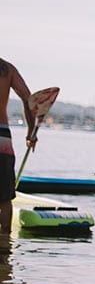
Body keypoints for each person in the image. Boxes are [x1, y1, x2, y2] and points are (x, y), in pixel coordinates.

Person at [0, 58, 35, 233]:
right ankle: (5, 248)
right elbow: (29, 100)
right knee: (5, 198)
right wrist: (31, 132)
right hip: (2, 137)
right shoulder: (7, 69)